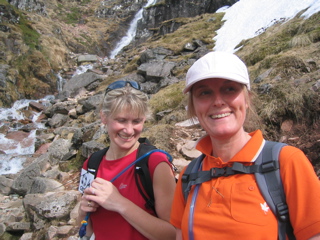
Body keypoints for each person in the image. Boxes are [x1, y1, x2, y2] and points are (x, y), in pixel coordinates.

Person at [170, 51, 320, 240]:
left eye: (229, 89)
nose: (218, 102)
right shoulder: (188, 177)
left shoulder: (286, 162)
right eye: (205, 93)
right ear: (193, 107)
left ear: (246, 99)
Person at [77, 80, 176, 240]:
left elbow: (173, 234)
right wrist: (82, 211)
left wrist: (119, 203)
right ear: (104, 117)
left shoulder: (156, 163)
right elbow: (86, 230)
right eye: (121, 120)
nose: (129, 130)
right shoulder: (91, 164)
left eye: (136, 121)